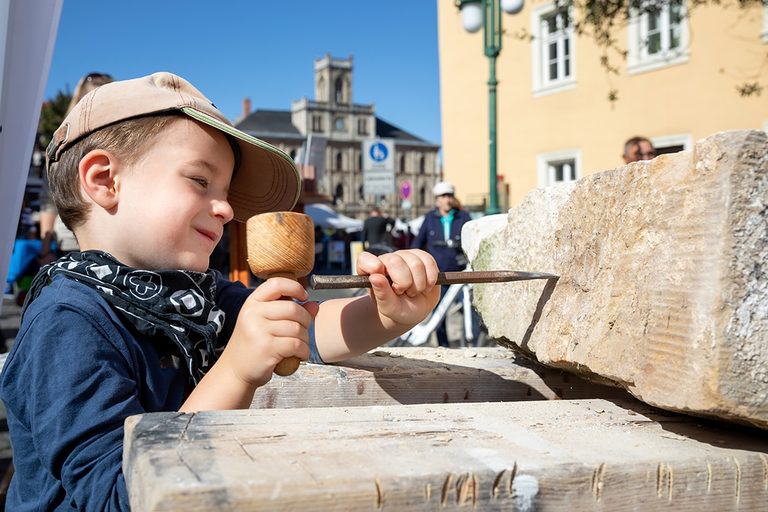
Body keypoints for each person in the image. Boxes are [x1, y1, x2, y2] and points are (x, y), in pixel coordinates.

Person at [0, 72, 440, 511]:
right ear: (104, 180)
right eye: (199, 180)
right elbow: (125, 496)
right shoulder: (67, 324)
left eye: (226, 191)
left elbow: (303, 326)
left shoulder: (191, 300)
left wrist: (386, 312)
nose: (227, 209)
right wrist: (234, 371)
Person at [39, 72, 115, 256]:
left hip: (113, 239)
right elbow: (49, 199)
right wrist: (45, 249)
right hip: (71, 241)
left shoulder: (121, 141)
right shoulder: (61, 145)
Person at [411, 181, 472, 347]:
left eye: (450, 196)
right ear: (437, 200)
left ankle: (469, 343)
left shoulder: (463, 217)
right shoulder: (430, 218)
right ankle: (443, 346)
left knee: (468, 310)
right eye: (444, 196)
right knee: (439, 312)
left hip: (460, 272)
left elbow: (473, 240)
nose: (447, 199)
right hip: (438, 274)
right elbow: (418, 242)